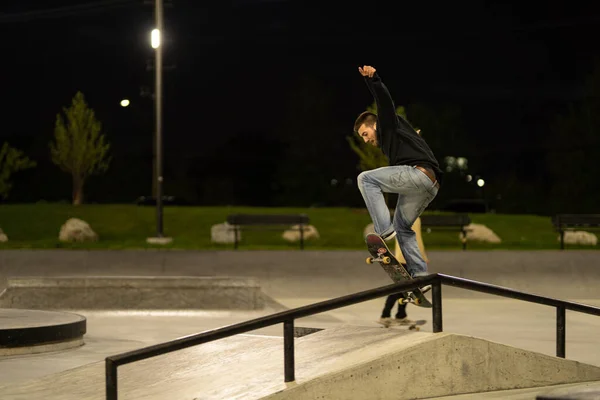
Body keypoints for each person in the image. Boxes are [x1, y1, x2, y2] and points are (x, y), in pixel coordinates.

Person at [354, 65, 442, 281]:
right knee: (403, 227)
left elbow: (385, 102)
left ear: (374, 125)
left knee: (366, 179)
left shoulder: (387, 125)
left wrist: (372, 79)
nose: (366, 140)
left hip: (417, 175)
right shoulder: (399, 134)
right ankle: (421, 276)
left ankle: (384, 231)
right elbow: (413, 138)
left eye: (365, 134)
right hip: (430, 185)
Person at [378, 217, 429, 327]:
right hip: (408, 258)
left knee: (407, 288)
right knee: (400, 288)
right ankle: (385, 315)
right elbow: (414, 239)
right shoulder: (410, 216)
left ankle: (400, 315)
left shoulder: (408, 216)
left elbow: (417, 238)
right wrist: (421, 257)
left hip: (406, 256)